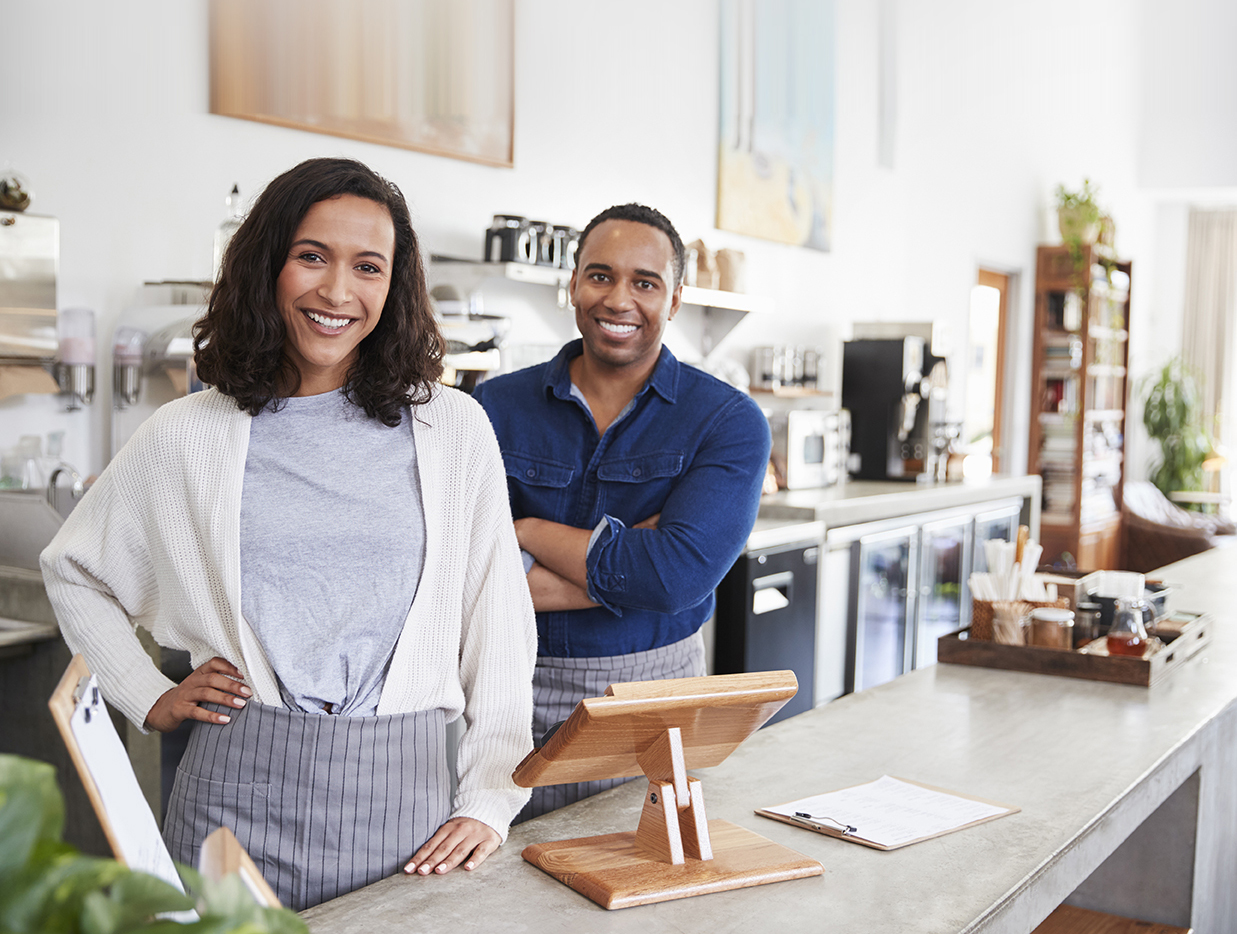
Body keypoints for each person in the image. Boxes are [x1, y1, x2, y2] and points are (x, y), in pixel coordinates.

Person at [40, 157, 537, 910]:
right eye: (311, 257)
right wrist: (146, 692)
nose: (337, 292)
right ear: (266, 266)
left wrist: (490, 797)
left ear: (392, 288)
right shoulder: (188, 433)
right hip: (233, 799)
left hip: (408, 804)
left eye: (367, 267)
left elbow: (497, 621)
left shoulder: (452, 427)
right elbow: (73, 568)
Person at [471, 203, 771, 819]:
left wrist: (524, 532)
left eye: (645, 282)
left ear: (676, 299)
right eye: (601, 275)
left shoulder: (728, 421)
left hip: (655, 699)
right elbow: (459, 571)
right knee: (504, 890)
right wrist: (631, 563)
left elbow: (676, 577)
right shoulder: (492, 406)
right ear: (572, 283)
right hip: (507, 688)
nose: (618, 299)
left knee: (636, 878)